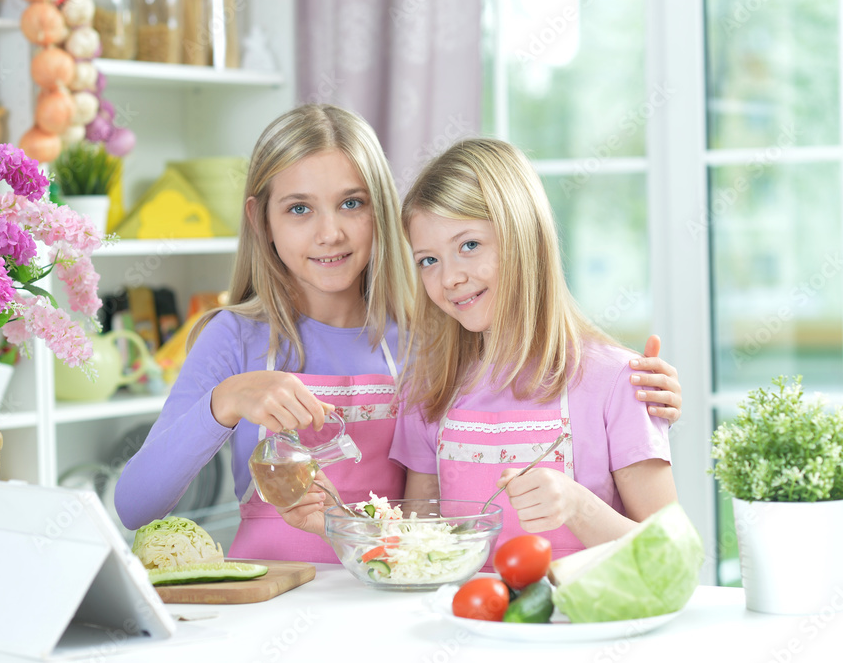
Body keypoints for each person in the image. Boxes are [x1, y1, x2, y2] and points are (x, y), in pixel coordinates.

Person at [114, 106, 682, 563]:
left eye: (351, 204)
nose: (330, 232)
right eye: (298, 209)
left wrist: (633, 393)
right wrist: (229, 399)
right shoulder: (233, 338)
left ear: (380, 213)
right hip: (272, 601)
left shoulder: (435, 337)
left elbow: (425, 523)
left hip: (392, 599)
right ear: (262, 221)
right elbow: (135, 504)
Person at [282, 138, 678, 564]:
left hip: (577, 626)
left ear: (523, 237)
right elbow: (416, 549)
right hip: (466, 622)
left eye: (469, 245)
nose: (449, 277)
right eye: (428, 260)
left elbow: (672, 559)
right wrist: (336, 520)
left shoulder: (617, 381)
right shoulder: (429, 389)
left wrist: (579, 507)